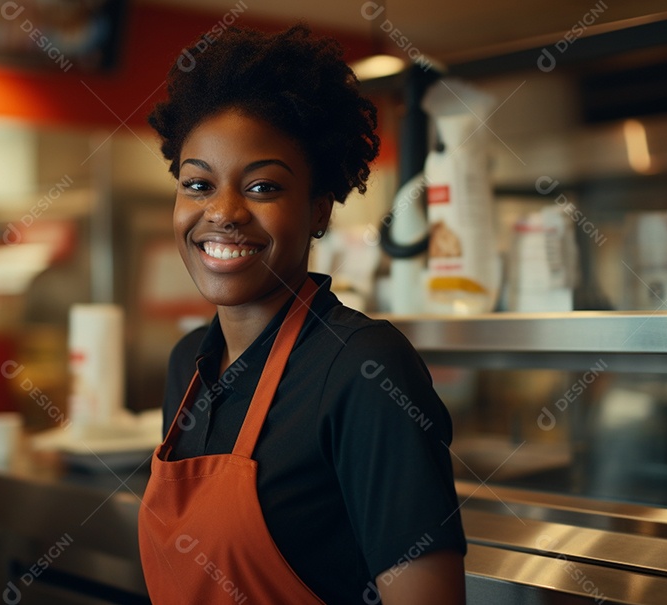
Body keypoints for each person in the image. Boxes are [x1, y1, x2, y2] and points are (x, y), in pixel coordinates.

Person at [138, 25, 467, 605]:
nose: (224, 213)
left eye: (263, 186)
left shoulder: (365, 370)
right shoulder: (188, 365)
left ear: (318, 209)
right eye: (197, 184)